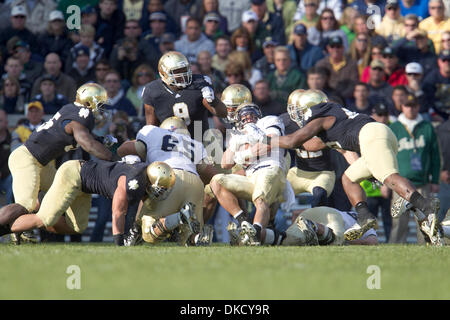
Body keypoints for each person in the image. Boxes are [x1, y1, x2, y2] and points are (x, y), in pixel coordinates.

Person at [264, 89, 441, 244]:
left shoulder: (320, 118)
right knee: (349, 178)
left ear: (311, 108)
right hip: (376, 135)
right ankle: (365, 216)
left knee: (390, 177)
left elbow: (293, 140)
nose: (300, 116)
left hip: (371, 137)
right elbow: (315, 144)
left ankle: (425, 206)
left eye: (302, 111)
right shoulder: (334, 115)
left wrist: (266, 140)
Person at [7, 83, 116, 220]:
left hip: (41, 163)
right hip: (28, 158)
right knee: (25, 205)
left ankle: (21, 229)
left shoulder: (72, 109)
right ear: (88, 102)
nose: (101, 108)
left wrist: (100, 139)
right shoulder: (82, 115)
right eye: (99, 103)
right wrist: (113, 157)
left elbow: (80, 133)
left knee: (64, 186)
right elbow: (87, 143)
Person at [0, 159, 162, 246]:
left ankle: (34, 213)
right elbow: (118, 211)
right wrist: (119, 241)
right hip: (74, 174)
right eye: (159, 186)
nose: (159, 191)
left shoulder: (142, 172)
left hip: (84, 187)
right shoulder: (133, 180)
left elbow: (126, 148)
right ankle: (9, 227)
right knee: (46, 218)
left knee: (77, 227)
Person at [117, 117, 216, 246]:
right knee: (187, 238)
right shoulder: (195, 143)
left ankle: (179, 217)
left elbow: (124, 149)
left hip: (168, 178)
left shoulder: (152, 131)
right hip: (195, 182)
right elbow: (209, 173)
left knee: (148, 233)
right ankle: (197, 237)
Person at [210, 103, 287, 246]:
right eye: (243, 115)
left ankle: (255, 233)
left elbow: (269, 144)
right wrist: (235, 144)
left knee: (260, 200)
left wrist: (243, 155)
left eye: (250, 113)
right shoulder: (238, 134)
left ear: (259, 113)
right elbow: (225, 164)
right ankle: (244, 222)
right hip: (250, 176)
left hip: (269, 168)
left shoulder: (269, 121)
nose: (247, 117)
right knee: (216, 181)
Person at [389, 96, 441, 244]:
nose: (410, 109)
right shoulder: (394, 127)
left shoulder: (427, 127)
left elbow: (435, 155)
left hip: (422, 182)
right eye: (407, 105)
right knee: (399, 221)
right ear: (402, 107)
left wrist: (435, 179)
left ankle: (425, 246)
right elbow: (388, 155)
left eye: (413, 106)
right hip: (399, 183)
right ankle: (396, 249)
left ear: (418, 107)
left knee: (424, 218)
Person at [142, 51, 227, 138]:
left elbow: (222, 113)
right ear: (164, 73)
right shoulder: (152, 91)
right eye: (177, 71)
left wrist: (213, 101)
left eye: (184, 69)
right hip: (168, 142)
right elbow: (151, 128)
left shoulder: (200, 84)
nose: (183, 75)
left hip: (198, 139)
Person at [422, 50, 450, 120]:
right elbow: (426, 101)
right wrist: (434, 115)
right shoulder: (430, 79)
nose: (447, 63)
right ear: (439, 62)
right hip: (437, 116)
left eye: (449, 60)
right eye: (444, 60)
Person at [436, 118, 450, 222]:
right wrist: (438, 172)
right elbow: (432, 154)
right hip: (444, 180)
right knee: (441, 217)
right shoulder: (440, 130)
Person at [0, 110, 13, 205]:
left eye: (0, 120)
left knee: (14, 178)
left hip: (7, 175)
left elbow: (15, 159)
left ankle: (10, 213)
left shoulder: (13, 138)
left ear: (6, 123)